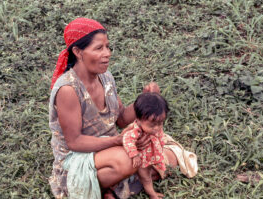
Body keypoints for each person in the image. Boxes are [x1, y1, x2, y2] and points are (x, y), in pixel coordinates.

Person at [48, 17, 198, 199]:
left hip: (109, 151)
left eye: (107, 47)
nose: (107, 53)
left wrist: (143, 101)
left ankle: (109, 187)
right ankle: (110, 185)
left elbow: (120, 119)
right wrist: (117, 142)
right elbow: (75, 142)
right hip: (78, 158)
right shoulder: (68, 89)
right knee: (131, 160)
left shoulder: (105, 77)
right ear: (78, 52)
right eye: (98, 48)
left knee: (167, 157)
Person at [123, 92, 169, 199]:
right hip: (141, 160)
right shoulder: (136, 130)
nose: (157, 128)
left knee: (153, 173)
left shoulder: (155, 126)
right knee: (146, 178)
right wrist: (135, 155)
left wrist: (161, 144)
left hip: (150, 156)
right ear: (139, 119)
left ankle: (138, 182)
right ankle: (152, 194)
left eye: (160, 123)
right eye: (152, 125)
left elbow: (160, 136)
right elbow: (127, 140)